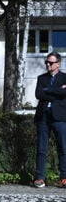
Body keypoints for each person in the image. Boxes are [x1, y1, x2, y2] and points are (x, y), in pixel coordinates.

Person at [34, 51, 66, 188]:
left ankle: (64, 177)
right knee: (41, 149)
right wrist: (57, 91)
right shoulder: (42, 78)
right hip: (43, 117)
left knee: (63, 148)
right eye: (46, 62)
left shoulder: (65, 78)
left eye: (51, 62)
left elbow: (64, 93)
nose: (48, 64)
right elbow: (38, 94)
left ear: (58, 64)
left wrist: (48, 90)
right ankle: (40, 178)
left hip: (60, 117)